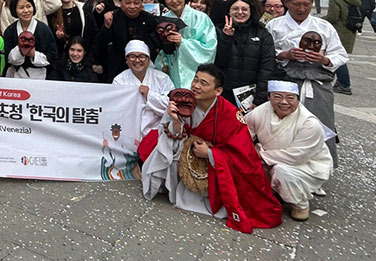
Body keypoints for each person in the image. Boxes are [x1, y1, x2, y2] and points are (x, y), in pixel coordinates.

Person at [140, 65, 282, 233]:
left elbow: (242, 153)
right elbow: (168, 135)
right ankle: (167, 184)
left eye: (203, 83)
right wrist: (176, 122)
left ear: (218, 91)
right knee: (161, 146)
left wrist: (210, 153)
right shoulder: (182, 102)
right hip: (185, 155)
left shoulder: (229, 114)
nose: (196, 86)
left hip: (213, 164)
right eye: (195, 80)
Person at [265, 0, 348, 165]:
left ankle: (319, 167)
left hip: (317, 82)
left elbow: (340, 54)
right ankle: (280, 164)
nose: (302, 9)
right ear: (286, 3)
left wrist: (324, 59)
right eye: (296, 4)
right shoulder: (274, 25)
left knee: (319, 124)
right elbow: (265, 53)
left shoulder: (323, 26)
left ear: (312, 3)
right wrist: (285, 54)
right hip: (285, 79)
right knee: (282, 125)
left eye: (306, 4)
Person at [245, 80, 333, 222]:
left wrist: (260, 155)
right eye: (277, 97)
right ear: (269, 97)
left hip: (304, 166)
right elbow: (243, 132)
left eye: (290, 98)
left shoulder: (310, 123)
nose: (284, 102)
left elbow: (298, 156)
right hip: (268, 158)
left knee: (282, 171)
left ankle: (300, 204)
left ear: (298, 99)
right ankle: (273, 191)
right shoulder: (260, 111)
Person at [215, 0, 278, 108]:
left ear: (250, 12)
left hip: (251, 95)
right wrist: (226, 38)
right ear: (229, 11)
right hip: (223, 94)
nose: (240, 12)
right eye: (235, 9)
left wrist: (259, 98)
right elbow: (219, 62)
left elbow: (267, 68)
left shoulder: (262, 34)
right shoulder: (218, 31)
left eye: (244, 9)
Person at [94, 0, 160, 82]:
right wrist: (107, 27)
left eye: (136, 2)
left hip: (142, 67)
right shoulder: (113, 17)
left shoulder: (149, 19)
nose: (132, 6)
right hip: (117, 67)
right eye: (128, 3)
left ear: (142, 3)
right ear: (120, 3)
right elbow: (99, 45)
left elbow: (155, 43)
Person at [112, 40, 174, 138]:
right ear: (126, 59)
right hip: (129, 134)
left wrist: (149, 95)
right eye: (132, 56)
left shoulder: (162, 78)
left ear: (148, 59)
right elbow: (116, 109)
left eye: (141, 56)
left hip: (158, 134)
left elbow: (171, 106)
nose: (137, 60)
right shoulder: (119, 81)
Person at [2, 0, 60, 79]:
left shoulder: (44, 29)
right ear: (14, 10)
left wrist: (33, 54)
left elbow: (53, 56)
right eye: (21, 8)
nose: (26, 10)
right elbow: (7, 57)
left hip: (39, 75)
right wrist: (20, 51)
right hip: (16, 75)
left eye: (28, 6)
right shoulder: (10, 31)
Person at [324, 0, 361, 96]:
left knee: (337, 58)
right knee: (339, 56)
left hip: (338, 31)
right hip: (349, 30)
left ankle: (345, 84)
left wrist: (319, 20)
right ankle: (338, 82)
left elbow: (333, 17)